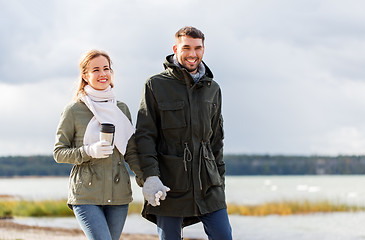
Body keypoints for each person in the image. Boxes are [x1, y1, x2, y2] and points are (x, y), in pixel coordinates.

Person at [135, 26, 233, 240]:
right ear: (175, 48)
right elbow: (145, 136)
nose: (192, 54)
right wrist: (150, 178)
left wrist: (220, 182)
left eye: (197, 48)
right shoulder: (156, 85)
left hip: (208, 184)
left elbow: (216, 141)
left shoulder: (212, 89)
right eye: (186, 47)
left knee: (224, 236)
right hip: (169, 184)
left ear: (203, 50)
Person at [53, 50, 143, 240]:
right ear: (85, 76)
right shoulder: (74, 110)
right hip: (86, 194)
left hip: (119, 194)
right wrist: (88, 151)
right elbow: (59, 152)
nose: (103, 74)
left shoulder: (121, 109)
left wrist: (148, 181)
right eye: (96, 70)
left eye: (106, 68)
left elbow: (131, 152)